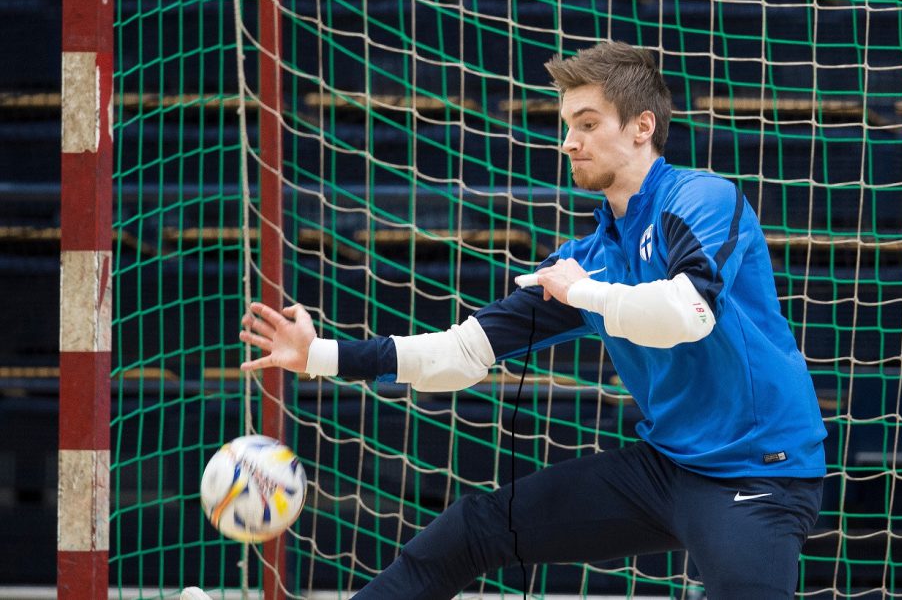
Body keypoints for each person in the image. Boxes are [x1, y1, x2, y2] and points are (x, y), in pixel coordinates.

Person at [239, 41, 827, 599]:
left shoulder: (701, 199)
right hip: (665, 467)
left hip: (760, 474)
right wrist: (320, 355)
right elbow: (461, 354)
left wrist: (587, 294)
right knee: (471, 529)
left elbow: (688, 314)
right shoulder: (587, 258)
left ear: (643, 127)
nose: (569, 142)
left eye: (589, 124)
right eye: (567, 125)